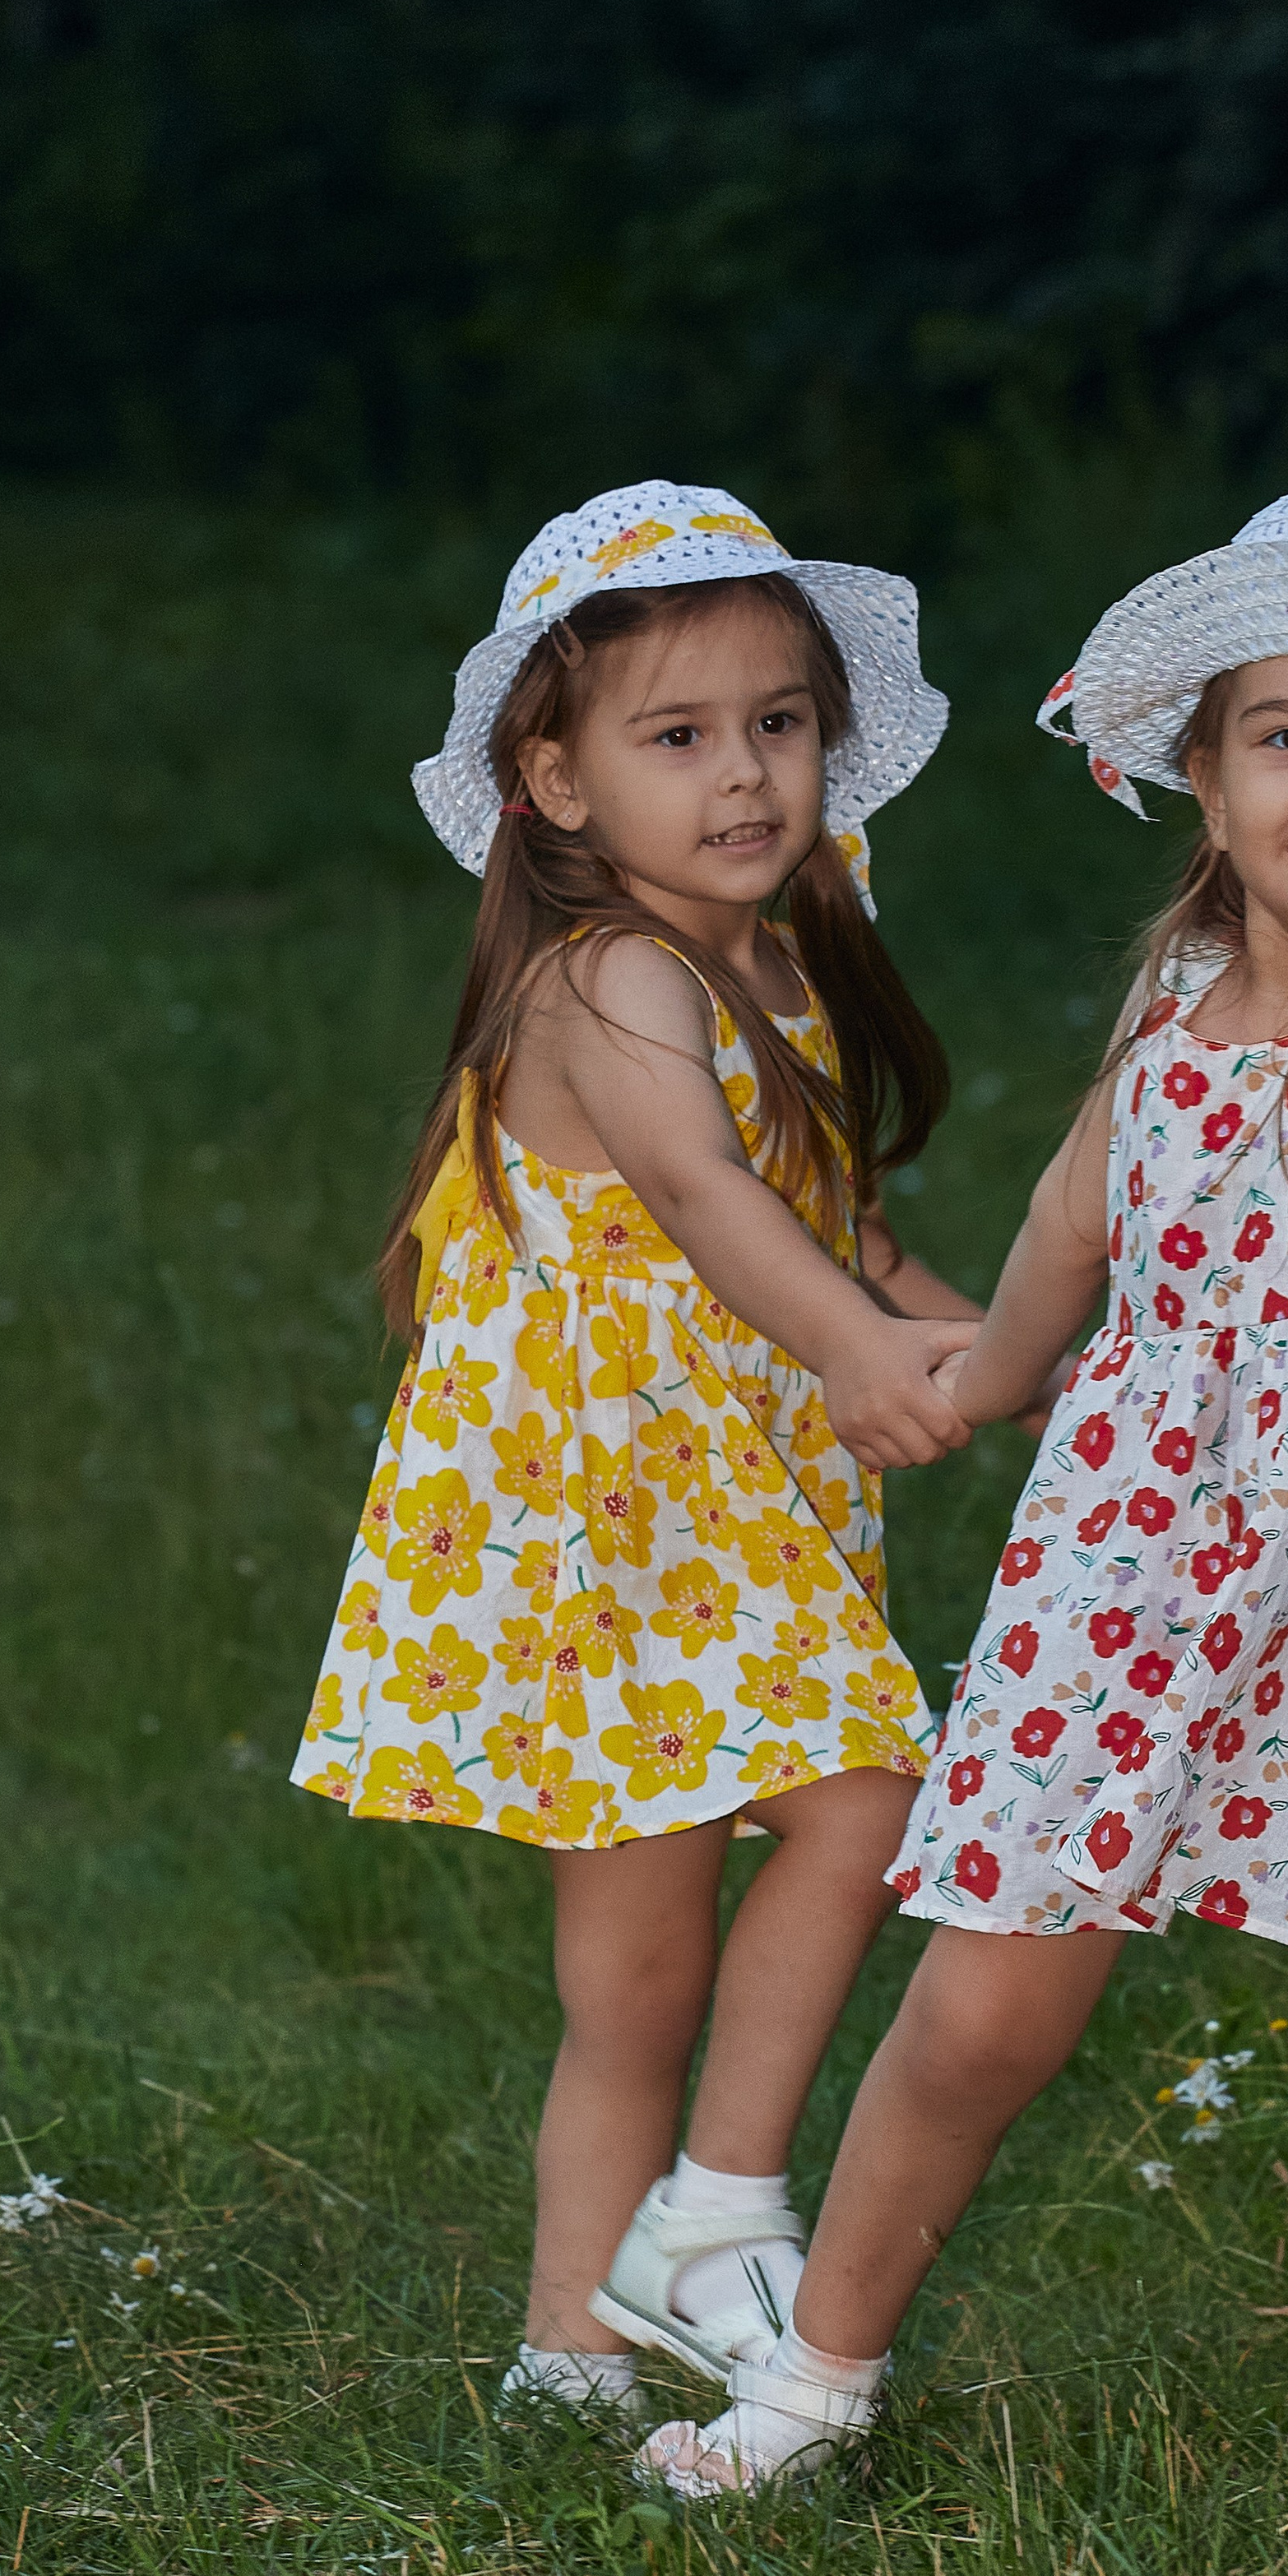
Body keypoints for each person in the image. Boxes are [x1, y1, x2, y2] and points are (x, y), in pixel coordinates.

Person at [640, 469, 1288, 2507]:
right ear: (1203, 782)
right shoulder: (1174, 1010)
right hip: (1116, 1611)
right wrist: (982, 1375)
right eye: (1286, 735)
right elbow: (1075, 1207)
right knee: (970, 2026)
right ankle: (805, 2398)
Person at [293, 480, 980, 2423]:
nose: (747, 772)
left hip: (716, 1512)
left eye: (778, 722)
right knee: (828, 1825)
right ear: (558, 778)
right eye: (676, 735)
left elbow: (825, 1218)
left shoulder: (772, 964)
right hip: (612, 1527)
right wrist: (853, 1350)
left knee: (667, 1953)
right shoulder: (607, 978)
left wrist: (993, 1348)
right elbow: (694, 1195)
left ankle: (578, 2343)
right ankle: (699, 2226)